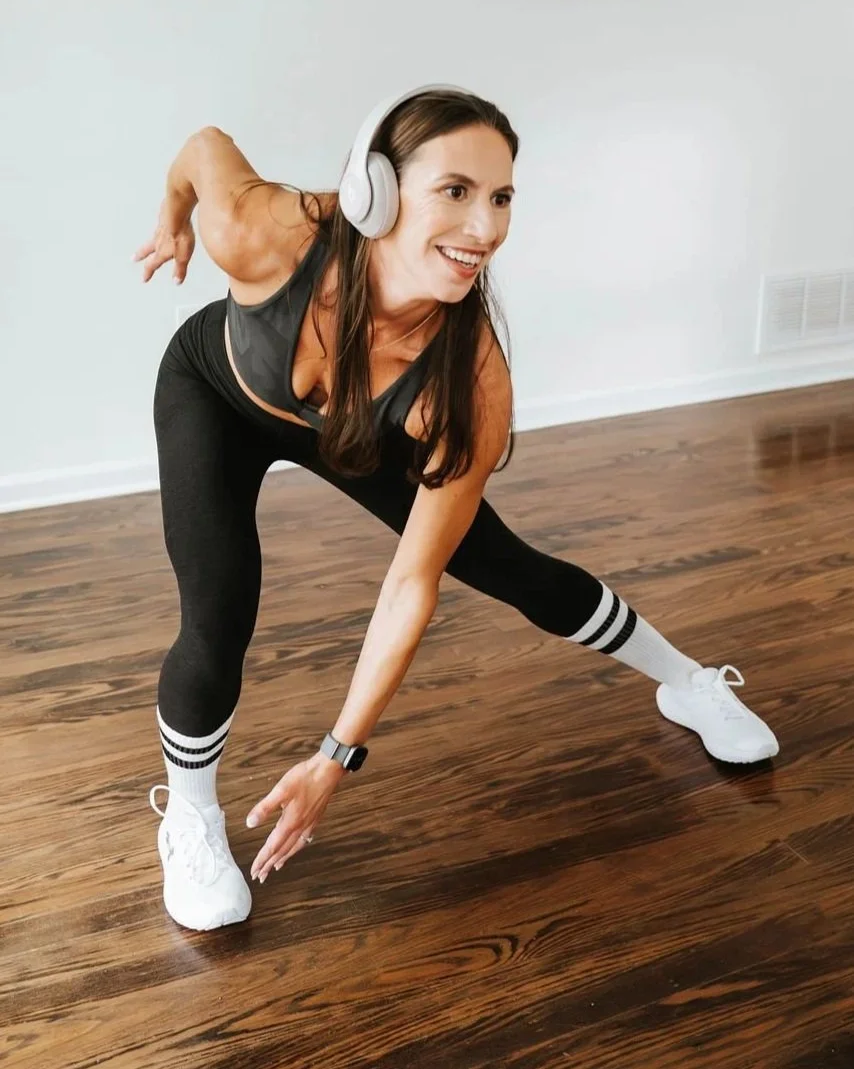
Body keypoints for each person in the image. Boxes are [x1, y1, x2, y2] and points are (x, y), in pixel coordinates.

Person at [135, 85, 779, 933]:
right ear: (377, 188)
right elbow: (202, 144)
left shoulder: (470, 383)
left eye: (502, 197)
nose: (485, 228)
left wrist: (336, 755)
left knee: (510, 565)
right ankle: (189, 814)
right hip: (220, 392)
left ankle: (691, 684)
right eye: (456, 191)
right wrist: (172, 218)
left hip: (353, 426)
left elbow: (412, 584)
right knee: (217, 605)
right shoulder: (267, 231)